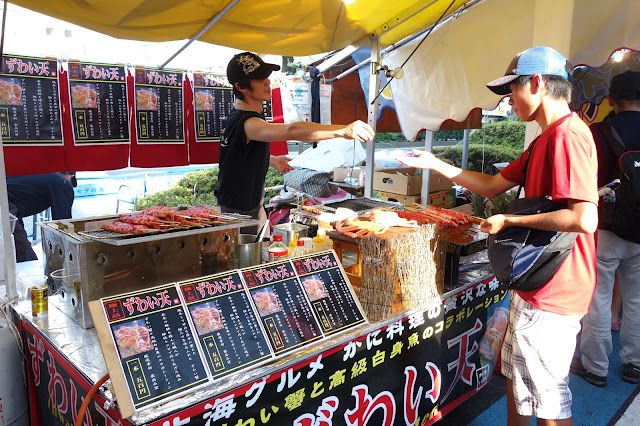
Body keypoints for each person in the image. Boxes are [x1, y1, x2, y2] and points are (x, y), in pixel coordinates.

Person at [397, 46, 598, 424]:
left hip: (555, 289)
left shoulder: (569, 135)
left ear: (537, 83)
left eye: (512, 89)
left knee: (548, 398)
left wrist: (510, 221)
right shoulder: (543, 137)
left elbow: (584, 218)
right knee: (520, 385)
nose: (507, 100)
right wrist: (435, 162)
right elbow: (491, 185)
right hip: (536, 280)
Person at [215, 52, 375, 234]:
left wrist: (272, 159)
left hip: (248, 207)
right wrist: (342, 131)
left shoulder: (240, 117)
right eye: (259, 79)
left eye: (266, 76)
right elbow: (291, 131)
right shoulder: (247, 122)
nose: (267, 81)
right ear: (241, 87)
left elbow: (237, 155)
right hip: (238, 214)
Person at [571, 70, 640, 387]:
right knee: (636, 298)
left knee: (598, 295)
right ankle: (634, 364)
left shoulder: (599, 132)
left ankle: (595, 366)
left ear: (611, 99)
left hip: (608, 226)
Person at [8, 172, 76, 262]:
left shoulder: (42, 177)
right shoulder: (62, 182)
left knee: (16, 245)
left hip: (9, 199)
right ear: (70, 176)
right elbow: (63, 225)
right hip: (5, 201)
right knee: (22, 249)